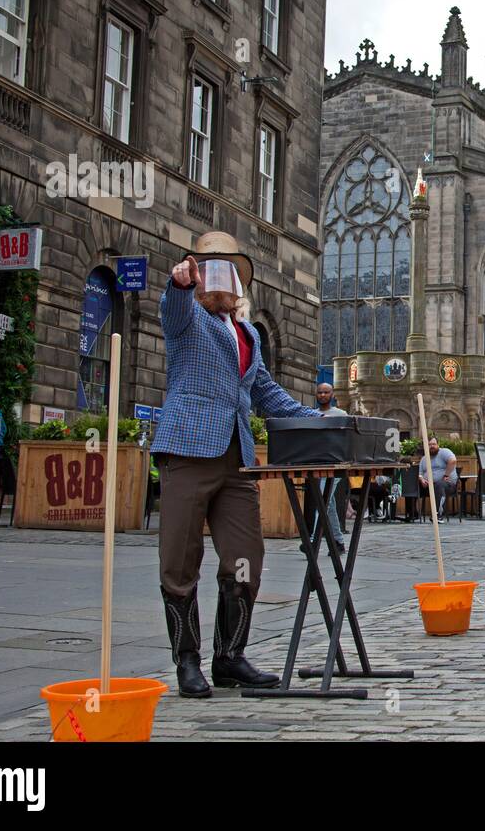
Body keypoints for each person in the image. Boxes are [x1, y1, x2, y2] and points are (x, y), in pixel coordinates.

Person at [152, 233, 323, 698]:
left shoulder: (248, 334)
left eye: (226, 271)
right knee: (180, 560)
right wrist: (180, 285)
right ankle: (187, 660)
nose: (218, 280)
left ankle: (229, 657)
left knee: (246, 557)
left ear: (239, 286)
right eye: (209, 269)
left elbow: (267, 395)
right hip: (188, 449)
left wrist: (320, 420)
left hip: (237, 460)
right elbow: (171, 312)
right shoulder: (188, 319)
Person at [314, 383, 349, 550]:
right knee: (329, 502)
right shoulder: (311, 414)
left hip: (335, 464)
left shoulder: (341, 414)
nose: (322, 395)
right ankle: (338, 540)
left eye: (326, 392)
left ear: (332, 394)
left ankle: (314, 541)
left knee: (323, 498)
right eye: (320, 392)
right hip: (318, 462)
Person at [418, 435, 457, 522]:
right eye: (429, 444)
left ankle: (438, 515)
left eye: (434, 444)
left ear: (438, 445)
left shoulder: (444, 452)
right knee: (412, 484)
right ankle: (412, 514)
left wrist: (446, 475)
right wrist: (422, 479)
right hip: (429, 486)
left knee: (439, 485)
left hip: (448, 484)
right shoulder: (424, 459)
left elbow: (453, 461)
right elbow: (420, 473)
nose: (432, 446)